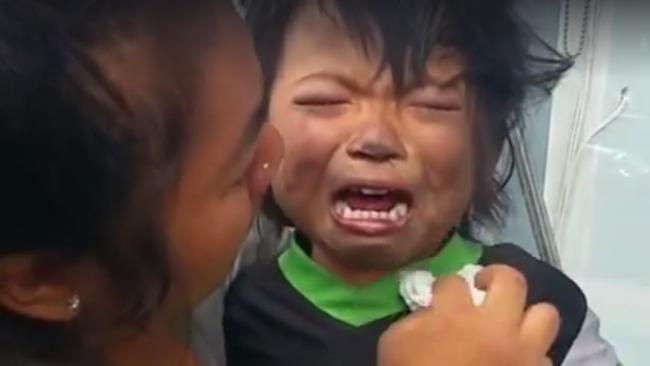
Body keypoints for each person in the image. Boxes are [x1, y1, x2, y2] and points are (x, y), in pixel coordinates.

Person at [0, 0, 560, 365]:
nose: (374, 137)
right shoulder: (248, 309)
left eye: (432, 104)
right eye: (239, 162)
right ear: (45, 276)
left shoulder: (537, 298)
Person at [223, 1, 603, 365]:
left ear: (490, 150)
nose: (375, 137)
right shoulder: (231, 311)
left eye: (431, 105)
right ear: (258, 136)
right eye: (324, 100)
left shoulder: (539, 309)